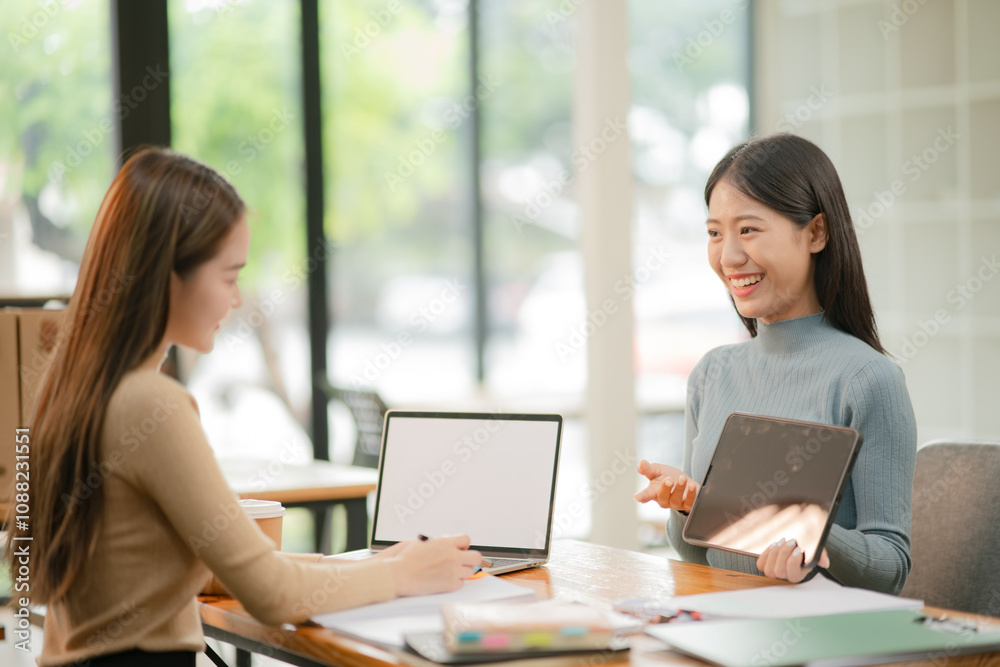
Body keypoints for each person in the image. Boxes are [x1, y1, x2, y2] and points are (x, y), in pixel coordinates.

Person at [4, 147, 480, 667]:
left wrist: (375, 566)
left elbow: (199, 565)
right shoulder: (149, 403)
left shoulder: (66, 385)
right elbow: (270, 594)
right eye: (229, 278)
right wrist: (401, 576)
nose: (235, 301)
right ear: (168, 276)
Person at [634, 134, 916, 595]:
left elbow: (891, 567)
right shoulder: (712, 374)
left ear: (816, 233)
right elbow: (697, 556)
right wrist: (688, 506)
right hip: (726, 623)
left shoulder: (868, 380)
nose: (728, 257)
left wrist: (815, 540)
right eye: (714, 233)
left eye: (748, 229)